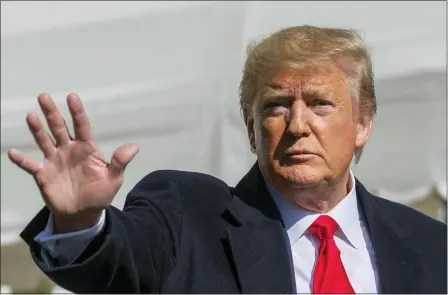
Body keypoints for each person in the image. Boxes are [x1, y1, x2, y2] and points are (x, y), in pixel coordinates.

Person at [10, 25, 446, 294]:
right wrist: (80, 224)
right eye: (276, 105)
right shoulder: (188, 216)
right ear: (251, 125)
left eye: (319, 104)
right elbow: (123, 261)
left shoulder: (431, 246)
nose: (297, 125)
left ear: (363, 123)